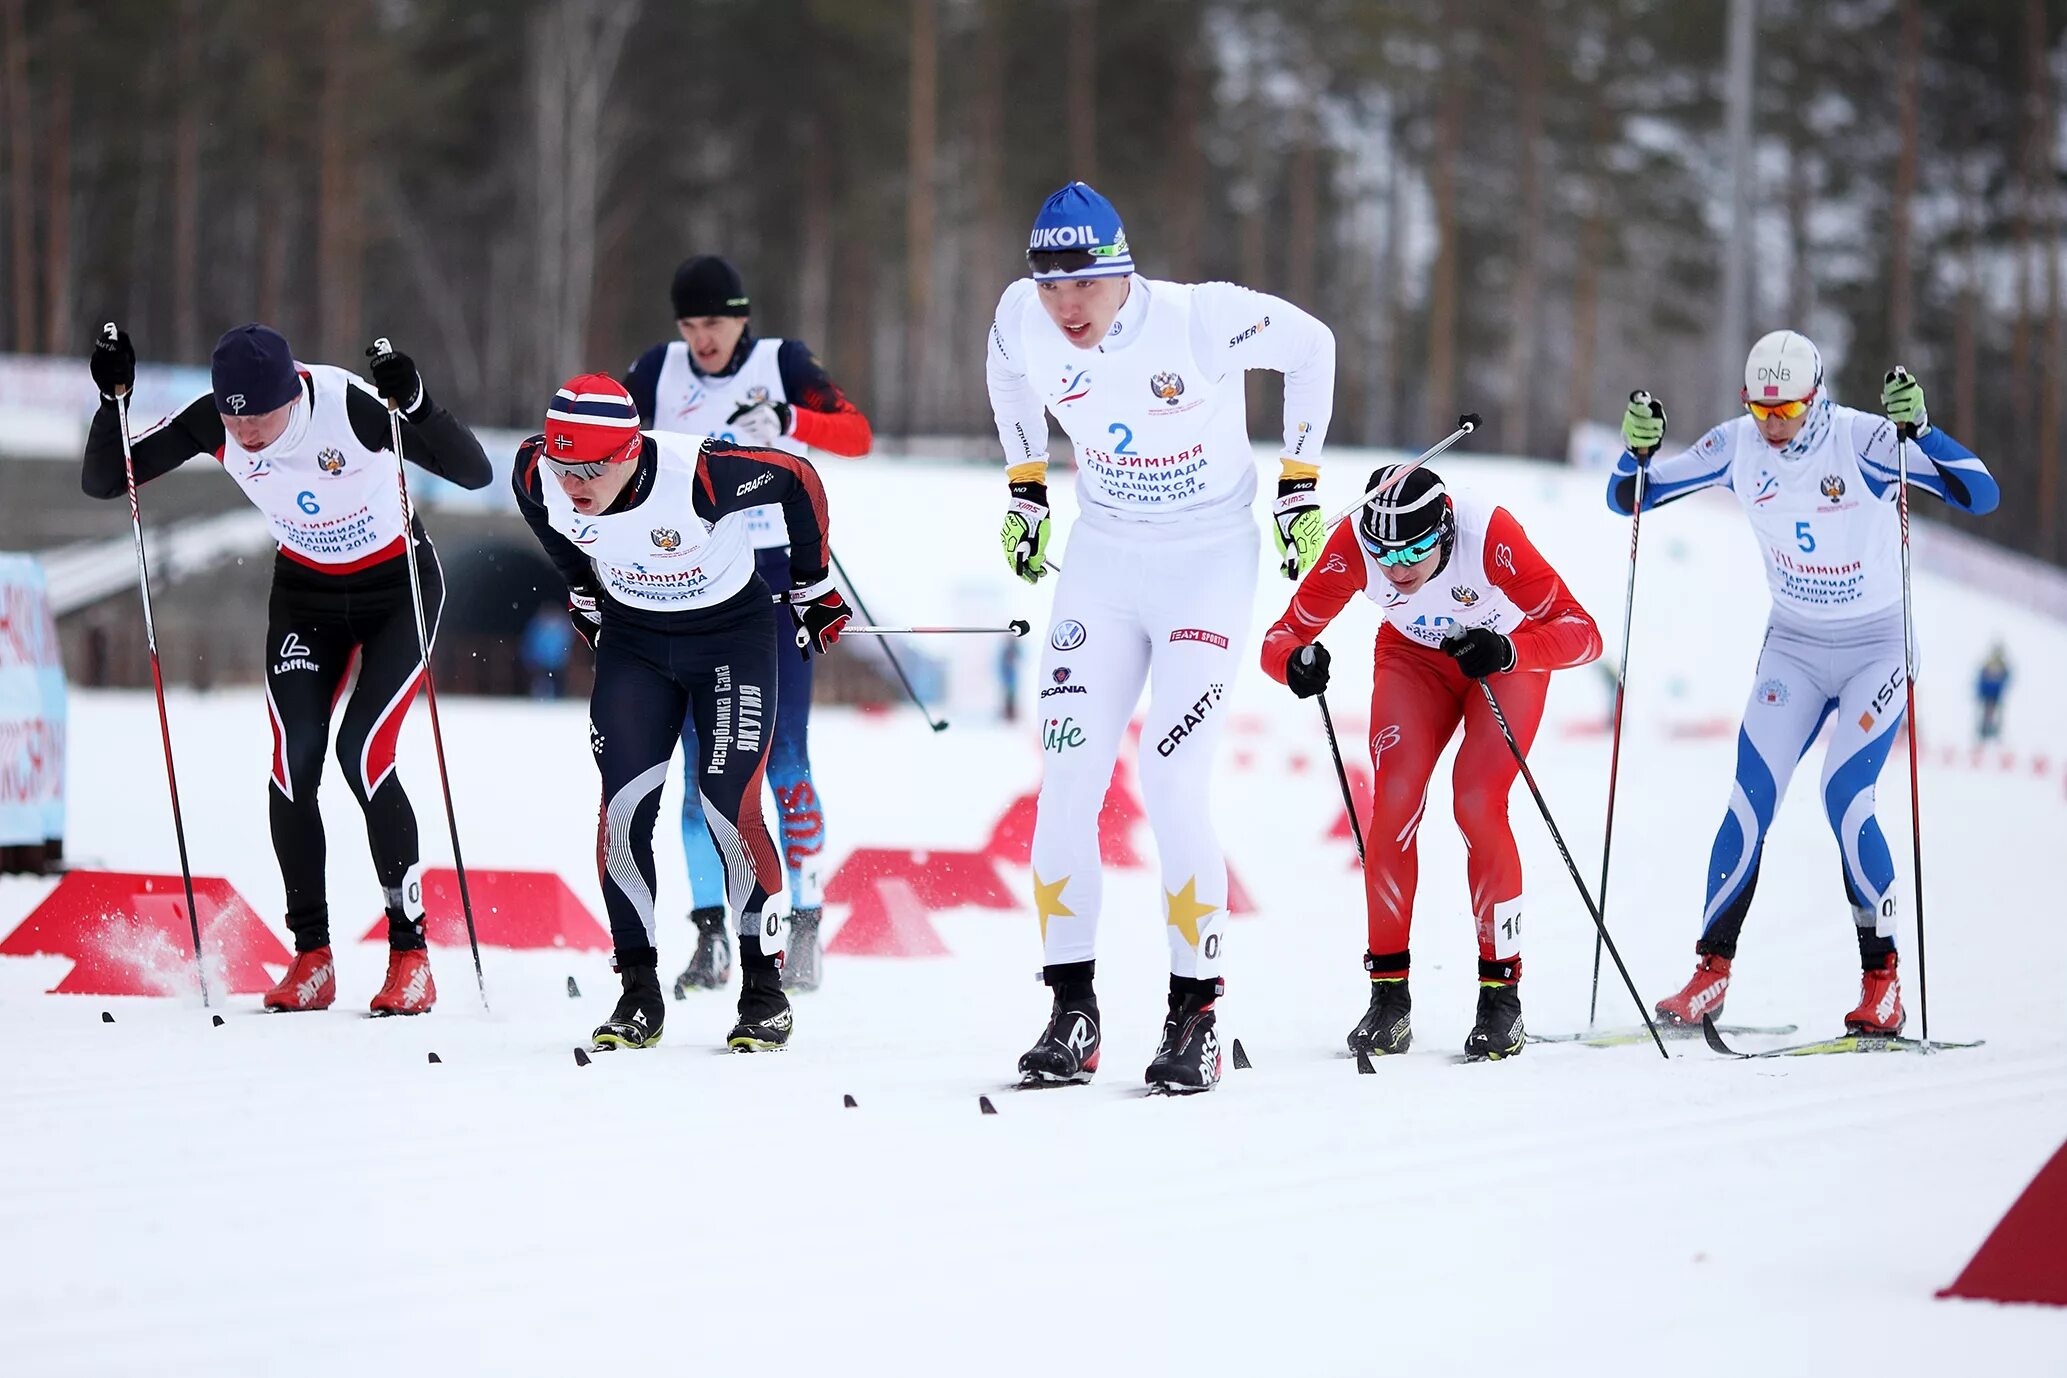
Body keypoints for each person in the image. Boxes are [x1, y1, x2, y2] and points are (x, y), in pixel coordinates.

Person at [988, 180, 1337, 1093]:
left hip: (1206, 565)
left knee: (1171, 779)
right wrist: (1026, 485)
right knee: (1065, 779)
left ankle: (1195, 1019)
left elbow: (1313, 348)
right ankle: (1072, 1014)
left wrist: (1299, 480)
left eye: (1084, 287)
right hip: (1101, 566)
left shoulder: (1201, 319)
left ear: (1122, 273)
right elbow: (1005, 371)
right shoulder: (1020, 317)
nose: (1066, 308)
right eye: (1049, 286)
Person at [81, 324, 492, 1013]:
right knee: (292, 763)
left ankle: (410, 954)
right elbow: (104, 479)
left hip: (399, 588)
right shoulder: (214, 419)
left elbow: (474, 473)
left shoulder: (347, 406)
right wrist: (110, 398)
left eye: (258, 417)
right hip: (307, 595)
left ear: (291, 395)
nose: (243, 433)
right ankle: (312, 955)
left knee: (363, 754)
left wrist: (417, 404)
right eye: (232, 416)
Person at [1611, 332, 1998, 1035]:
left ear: (1816, 395)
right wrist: (1633, 450)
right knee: (1747, 801)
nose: (1773, 425)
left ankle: (1881, 983)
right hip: (1791, 645)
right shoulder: (1738, 445)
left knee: (1844, 797)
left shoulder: (1864, 441)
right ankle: (1710, 974)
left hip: (1874, 649)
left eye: (1786, 410)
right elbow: (1628, 498)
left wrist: (1923, 431)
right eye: (1760, 410)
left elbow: (1980, 493)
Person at [512, 374, 849, 1053]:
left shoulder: (701, 473)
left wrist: (813, 583)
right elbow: (548, 519)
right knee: (623, 810)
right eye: (562, 463)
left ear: (630, 451)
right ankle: (638, 992)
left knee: (729, 805)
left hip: (731, 640)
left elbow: (799, 479)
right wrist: (582, 587)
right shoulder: (534, 471)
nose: (573, 482)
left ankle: (763, 991)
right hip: (636, 643)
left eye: (590, 468)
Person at [1260, 466, 1602, 1059]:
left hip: (1503, 660)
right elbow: (1281, 635)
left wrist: (1512, 648)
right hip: (1412, 660)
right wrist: (1294, 663)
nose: (1397, 569)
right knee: (1393, 803)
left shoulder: (1488, 534)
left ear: (1444, 529)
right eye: (1382, 552)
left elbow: (1582, 633)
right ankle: (1388, 1000)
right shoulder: (1354, 545)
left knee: (1476, 800)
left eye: (1416, 549)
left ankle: (1501, 1001)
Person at [625, 255, 874, 999]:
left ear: (742, 319)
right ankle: (712, 935)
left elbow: (856, 434)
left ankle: (804, 922)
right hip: (695, 578)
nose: (704, 339)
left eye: (716, 322)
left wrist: (791, 422)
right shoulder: (655, 371)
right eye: (692, 324)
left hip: (773, 571)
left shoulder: (782, 361)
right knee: (704, 769)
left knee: (785, 753)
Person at [1976, 643, 2010, 742]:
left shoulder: (2002, 664)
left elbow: (2006, 677)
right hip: (1988, 693)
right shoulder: (1989, 663)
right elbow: (1982, 677)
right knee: (1987, 712)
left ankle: (1995, 732)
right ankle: (1984, 731)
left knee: (1995, 713)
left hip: (1996, 694)